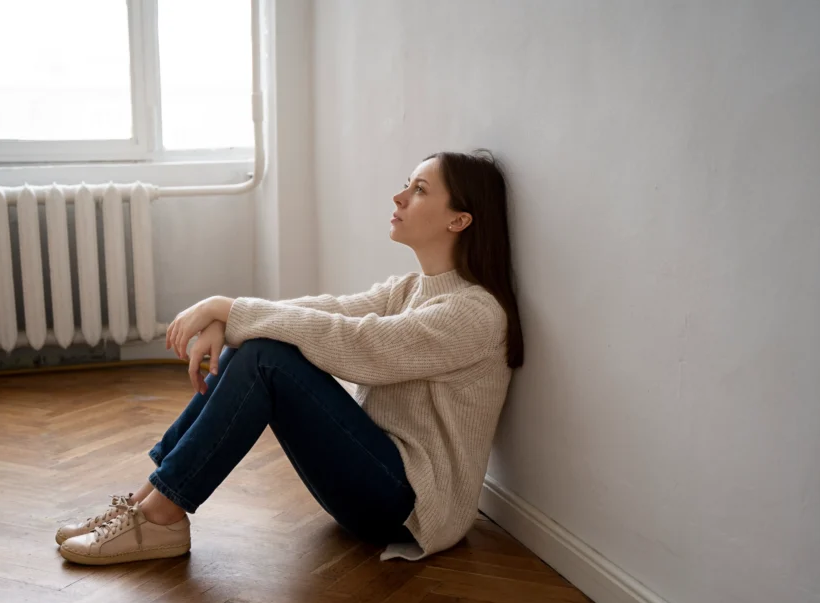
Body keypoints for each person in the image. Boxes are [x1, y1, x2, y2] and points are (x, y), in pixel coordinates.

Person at [55, 150, 525, 566]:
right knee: (260, 342)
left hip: (413, 508)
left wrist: (228, 309)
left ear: (458, 220)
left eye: (419, 189)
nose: (399, 197)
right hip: (378, 479)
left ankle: (162, 515)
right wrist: (233, 317)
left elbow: (360, 346)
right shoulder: (408, 290)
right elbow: (326, 310)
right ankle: (146, 503)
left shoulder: (474, 314)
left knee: (266, 356)